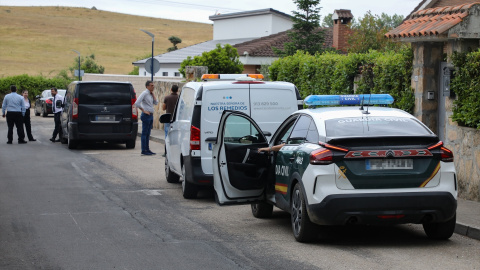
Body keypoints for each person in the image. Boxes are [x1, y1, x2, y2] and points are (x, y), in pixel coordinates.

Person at [135, 81, 158, 156]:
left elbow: (156, 103)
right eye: (151, 85)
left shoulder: (150, 94)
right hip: (146, 115)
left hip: (151, 115)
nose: (153, 87)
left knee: (148, 133)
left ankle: (147, 149)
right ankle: (143, 149)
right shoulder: (144, 93)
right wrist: (143, 110)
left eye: (153, 85)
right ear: (147, 86)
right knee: (144, 133)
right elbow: (137, 103)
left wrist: (153, 95)